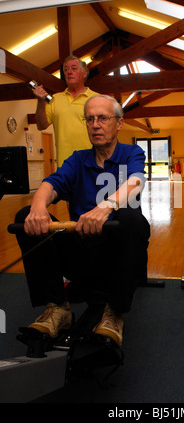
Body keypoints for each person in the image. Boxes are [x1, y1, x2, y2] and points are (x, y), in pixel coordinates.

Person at [14, 95, 150, 347]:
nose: (95, 125)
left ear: (119, 123)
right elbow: (52, 184)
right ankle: (58, 307)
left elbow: (136, 181)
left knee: (131, 217)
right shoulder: (78, 159)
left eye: (103, 118)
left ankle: (114, 312)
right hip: (81, 252)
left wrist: (106, 207)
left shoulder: (131, 152)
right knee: (24, 218)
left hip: (117, 257)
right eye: (90, 119)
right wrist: (37, 207)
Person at [33, 55, 99, 166]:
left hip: (92, 164)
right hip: (65, 166)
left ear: (84, 73)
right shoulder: (54, 99)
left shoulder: (98, 99)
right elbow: (41, 125)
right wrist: (40, 102)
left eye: (74, 68)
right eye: (66, 69)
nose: (69, 72)